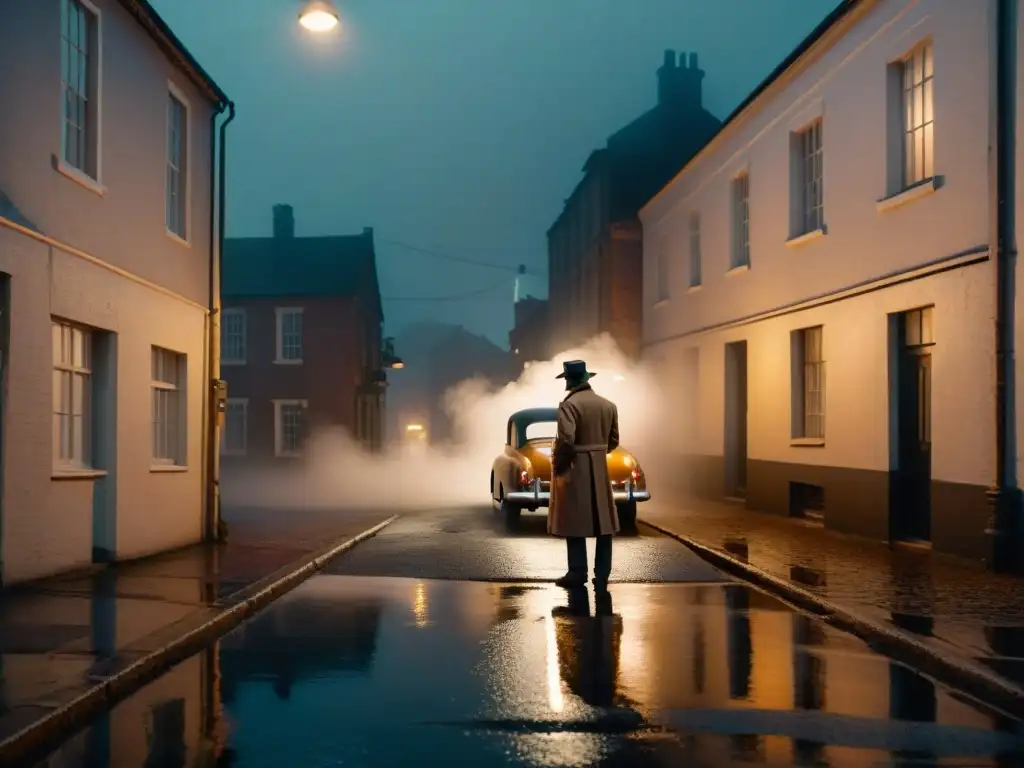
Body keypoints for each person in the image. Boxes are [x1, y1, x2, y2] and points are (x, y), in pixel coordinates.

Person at [548, 359, 620, 589]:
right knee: (604, 523)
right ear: (587, 378)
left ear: (569, 380)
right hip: (599, 466)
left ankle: (577, 572)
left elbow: (566, 440)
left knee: (574, 521)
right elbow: (614, 441)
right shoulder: (608, 405)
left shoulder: (569, 405)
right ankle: (603, 574)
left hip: (576, 467)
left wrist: (559, 465)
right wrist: (597, 453)